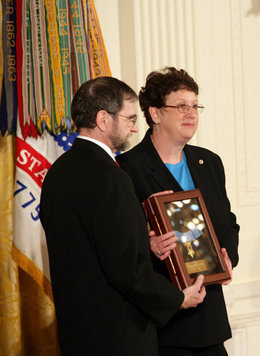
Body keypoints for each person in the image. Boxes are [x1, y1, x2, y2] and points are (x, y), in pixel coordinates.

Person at [40, 76, 206, 356]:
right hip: (118, 334)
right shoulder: (111, 177)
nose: (135, 127)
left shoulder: (57, 171)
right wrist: (177, 298)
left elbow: (91, 247)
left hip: (76, 331)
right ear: (104, 120)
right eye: (129, 118)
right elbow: (126, 268)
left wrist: (146, 243)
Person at [117, 67, 239, 356]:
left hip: (209, 319)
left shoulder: (209, 163)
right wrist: (149, 246)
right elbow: (120, 248)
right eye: (182, 106)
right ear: (155, 114)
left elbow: (228, 224)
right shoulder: (126, 169)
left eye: (195, 106)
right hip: (162, 325)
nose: (191, 113)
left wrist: (227, 258)